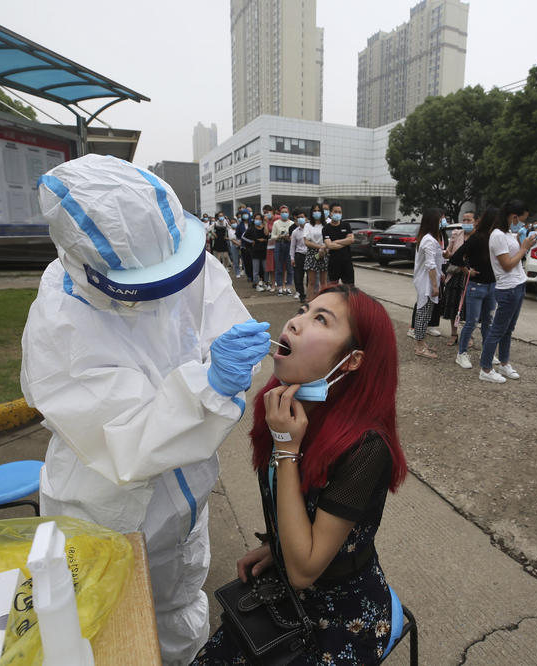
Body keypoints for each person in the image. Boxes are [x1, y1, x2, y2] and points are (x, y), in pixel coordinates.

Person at [21, 154, 270, 664]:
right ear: (91, 266)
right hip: (108, 508)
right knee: (112, 626)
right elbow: (125, 437)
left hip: (187, 498)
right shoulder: (59, 323)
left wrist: (236, 367)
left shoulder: (180, 251)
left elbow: (222, 327)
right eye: (149, 281)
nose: (169, 290)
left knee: (180, 605)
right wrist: (209, 387)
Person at [193, 285, 408, 665]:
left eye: (320, 320)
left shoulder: (366, 447)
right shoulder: (287, 404)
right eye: (303, 309)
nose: (294, 322)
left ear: (353, 360)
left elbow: (305, 570)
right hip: (288, 587)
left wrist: (286, 448)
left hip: (342, 615)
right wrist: (277, 545)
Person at [478, 200, 537, 384]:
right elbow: (507, 264)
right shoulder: (497, 235)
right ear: (513, 217)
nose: (522, 224)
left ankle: (504, 363)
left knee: (508, 329)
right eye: (522, 220)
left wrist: (521, 244)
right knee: (497, 330)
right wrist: (524, 247)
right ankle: (486, 368)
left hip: (518, 285)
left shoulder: (507, 233)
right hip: (507, 288)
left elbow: (515, 258)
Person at [449, 206, 498, 369]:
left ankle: (488, 351)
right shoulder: (477, 238)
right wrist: (466, 269)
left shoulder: (497, 238)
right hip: (476, 286)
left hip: (492, 285)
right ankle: (461, 353)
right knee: (471, 322)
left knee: (488, 322)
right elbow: (455, 258)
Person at [412, 209, 444, 359]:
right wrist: (435, 286)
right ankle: (419, 346)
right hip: (426, 283)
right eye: (440, 220)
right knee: (423, 315)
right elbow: (430, 265)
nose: (442, 223)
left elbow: (434, 263)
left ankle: (422, 342)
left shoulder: (427, 238)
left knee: (425, 314)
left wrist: (441, 275)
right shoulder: (429, 240)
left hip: (428, 281)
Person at [442, 212, 473, 347]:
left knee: (468, 307)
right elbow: (449, 252)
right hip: (455, 274)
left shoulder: (478, 236)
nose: (466, 222)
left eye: (469, 220)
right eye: (464, 220)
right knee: (453, 305)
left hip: (471, 275)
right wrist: (447, 254)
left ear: (475, 221)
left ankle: (468, 335)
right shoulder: (456, 234)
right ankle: (454, 334)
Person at [324, 203, 356, 284]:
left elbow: (351, 240)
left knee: (349, 290)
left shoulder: (346, 225)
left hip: (347, 263)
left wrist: (336, 241)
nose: (337, 214)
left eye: (339, 212)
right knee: (333, 290)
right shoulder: (326, 228)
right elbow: (330, 245)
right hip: (333, 263)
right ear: (330, 213)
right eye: (335, 212)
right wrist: (345, 241)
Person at [304, 203, 329, 293]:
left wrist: (324, 248)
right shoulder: (308, 225)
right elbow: (306, 241)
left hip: (324, 253)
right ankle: (310, 303)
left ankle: (323, 303)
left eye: (319, 210)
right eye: (314, 211)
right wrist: (320, 247)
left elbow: (329, 239)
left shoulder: (326, 225)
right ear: (311, 212)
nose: (317, 212)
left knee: (324, 282)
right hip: (312, 253)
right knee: (311, 282)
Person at [273, 204, 294, 295]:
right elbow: (272, 236)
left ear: (288, 213)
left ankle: (288, 287)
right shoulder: (276, 223)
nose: (284, 214)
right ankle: (280, 287)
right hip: (278, 244)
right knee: (279, 267)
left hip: (289, 245)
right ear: (279, 213)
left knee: (289, 267)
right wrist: (279, 236)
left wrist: (288, 238)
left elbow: (294, 237)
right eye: (282, 212)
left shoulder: (292, 223)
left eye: (286, 212)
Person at [245, 213, 270, 291]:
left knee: (265, 268)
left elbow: (267, 234)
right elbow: (244, 237)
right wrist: (252, 241)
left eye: (259, 219)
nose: (258, 220)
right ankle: (256, 284)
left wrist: (265, 224)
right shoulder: (251, 228)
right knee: (256, 269)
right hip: (255, 251)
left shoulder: (263, 227)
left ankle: (266, 283)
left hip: (264, 250)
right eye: (256, 218)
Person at [290, 209, 309, 303]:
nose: (301, 219)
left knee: (310, 277)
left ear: (306, 218)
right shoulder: (295, 232)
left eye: (302, 217)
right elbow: (292, 246)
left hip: (309, 255)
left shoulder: (310, 229)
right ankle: (302, 295)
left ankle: (310, 295)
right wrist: (292, 258)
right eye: (299, 217)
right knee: (298, 277)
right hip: (299, 255)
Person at [237, 209, 253, 282]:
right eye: (244, 214)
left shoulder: (252, 223)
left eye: (246, 214)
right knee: (246, 262)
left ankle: (253, 276)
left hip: (253, 245)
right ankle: (249, 276)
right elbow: (238, 235)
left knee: (253, 261)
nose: (245, 215)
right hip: (244, 246)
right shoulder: (240, 225)